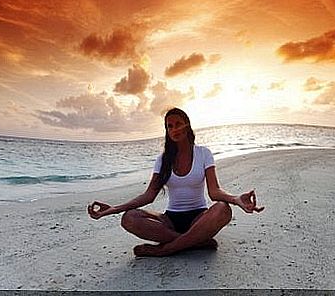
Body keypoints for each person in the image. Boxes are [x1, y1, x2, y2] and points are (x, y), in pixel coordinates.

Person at [87, 107, 264, 257]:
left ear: (187, 126)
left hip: (199, 218)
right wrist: (113, 209)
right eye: (169, 126)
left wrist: (236, 200)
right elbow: (149, 196)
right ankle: (196, 241)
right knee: (129, 218)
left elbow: (215, 191)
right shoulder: (163, 160)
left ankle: (165, 250)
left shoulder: (204, 154)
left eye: (178, 124)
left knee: (223, 209)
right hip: (170, 220)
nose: (174, 129)